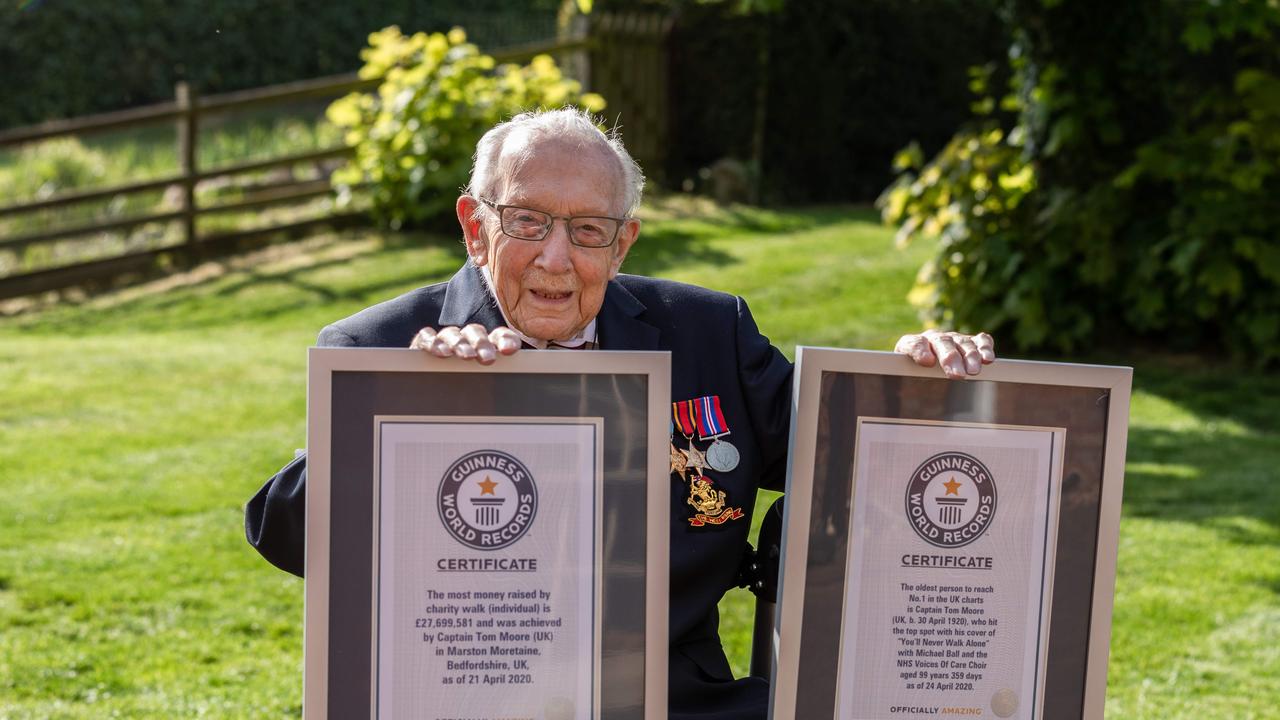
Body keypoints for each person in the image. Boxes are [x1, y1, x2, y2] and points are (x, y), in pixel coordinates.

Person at [244, 107, 994, 719]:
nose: (556, 259)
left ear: (622, 241)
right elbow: (287, 534)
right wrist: (418, 402)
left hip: (676, 702)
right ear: (476, 228)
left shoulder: (709, 334)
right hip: (464, 696)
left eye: (588, 230)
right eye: (528, 221)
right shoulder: (380, 347)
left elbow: (857, 460)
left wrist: (920, 387)